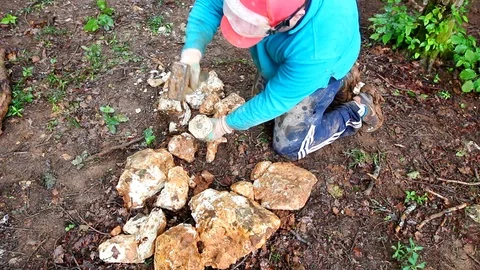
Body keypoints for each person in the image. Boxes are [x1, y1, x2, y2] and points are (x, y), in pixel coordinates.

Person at [180, 0, 383, 161]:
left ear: (295, 17)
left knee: (289, 145)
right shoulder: (274, 11)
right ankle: (290, 71)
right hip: (292, 53)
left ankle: (357, 109)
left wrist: (223, 126)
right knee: (258, 100)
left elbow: (275, 100)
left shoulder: (318, 47)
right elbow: (211, 3)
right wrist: (192, 51)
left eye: (253, 26)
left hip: (322, 61)